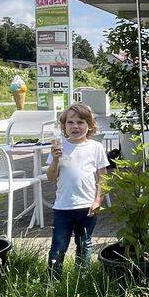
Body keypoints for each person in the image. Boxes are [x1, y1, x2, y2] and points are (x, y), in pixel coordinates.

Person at [45, 103, 109, 276]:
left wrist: (98, 200)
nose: (75, 126)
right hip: (63, 206)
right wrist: (55, 160)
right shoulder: (59, 148)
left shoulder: (96, 148)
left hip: (87, 206)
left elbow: (103, 176)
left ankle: (83, 278)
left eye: (80, 122)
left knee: (84, 244)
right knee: (58, 245)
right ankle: (53, 281)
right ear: (64, 126)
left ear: (89, 125)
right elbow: (51, 177)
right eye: (70, 122)